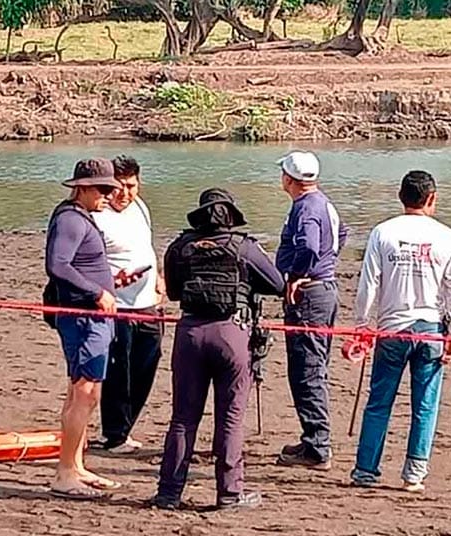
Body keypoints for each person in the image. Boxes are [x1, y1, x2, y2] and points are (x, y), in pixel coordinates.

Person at [154, 188, 284, 511]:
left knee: (183, 418)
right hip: (232, 334)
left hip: (190, 334)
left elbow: (171, 292)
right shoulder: (245, 248)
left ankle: (169, 493)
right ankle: (229, 493)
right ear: (230, 216)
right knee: (230, 419)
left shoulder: (180, 247)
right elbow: (278, 285)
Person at [349, 170, 451, 492]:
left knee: (379, 402)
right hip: (430, 330)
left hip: (392, 329)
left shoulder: (382, 232)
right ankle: (413, 474)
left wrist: (362, 325)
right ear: (431, 199)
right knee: (425, 405)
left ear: (401, 197)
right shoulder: (447, 237)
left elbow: (368, 285)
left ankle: (365, 471)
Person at [45, 157, 122, 501]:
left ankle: (75, 464)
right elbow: (57, 265)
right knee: (84, 392)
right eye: (103, 189)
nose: (109, 195)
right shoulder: (70, 220)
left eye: (111, 189)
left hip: (92, 317)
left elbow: (79, 264)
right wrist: (98, 292)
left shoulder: (81, 218)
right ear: (82, 188)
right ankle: (64, 473)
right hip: (83, 318)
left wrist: (110, 281)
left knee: (87, 393)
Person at [274, 151, 348, 470]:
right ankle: (314, 438)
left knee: (307, 370)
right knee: (314, 366)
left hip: (310, 293)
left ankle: (317, 445)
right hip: (324, 289)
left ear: (290, 179)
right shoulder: (323, 203)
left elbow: (308, 247)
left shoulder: (305, 208)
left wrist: (297, 275)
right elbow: (341, 234)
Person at [91, 155, 164, 454]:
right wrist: (110, 280)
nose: (125, 193)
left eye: (131, 186)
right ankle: (115, 434)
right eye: (119, 186)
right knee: (118, 369)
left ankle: (126, 427)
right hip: (115, 304)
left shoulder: (140, 208)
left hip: (147, 303)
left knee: (147, 365)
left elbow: (145, 245)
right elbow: (88, 262)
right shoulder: (97, 214)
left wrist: (160, 276)